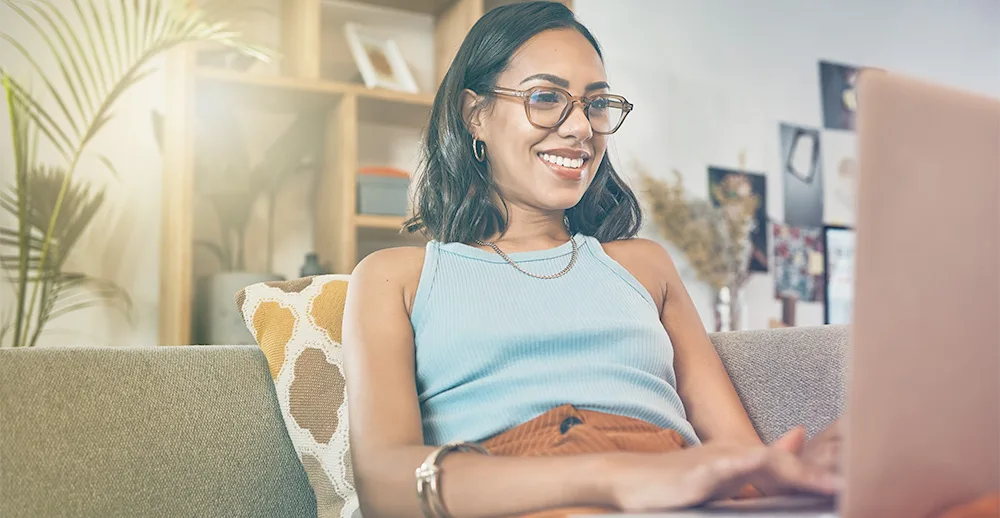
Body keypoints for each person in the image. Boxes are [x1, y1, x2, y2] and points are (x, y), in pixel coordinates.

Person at [342, 2, 841, 517]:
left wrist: (804, 475)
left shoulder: (645, 267)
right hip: (520, 493)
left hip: (675, 487)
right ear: (476, 115)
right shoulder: (394, 278)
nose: (580, 127)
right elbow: (386, 486)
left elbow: (741, 461)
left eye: (595, 104)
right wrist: (611, 478)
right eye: (545, 97)